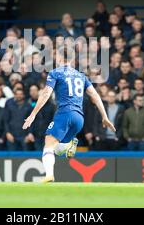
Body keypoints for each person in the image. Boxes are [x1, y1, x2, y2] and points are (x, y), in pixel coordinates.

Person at [22, 48, 116, 183]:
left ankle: (49, 175)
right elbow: (95, 95)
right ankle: (70, 142)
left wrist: (33, 114)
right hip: (79, 118)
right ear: (72, 59)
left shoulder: (55, 73)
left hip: (64, 114)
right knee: (58, 150)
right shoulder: (81, 75)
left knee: (48, 145)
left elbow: (46, 94)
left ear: (59, 58)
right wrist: (105, 116)